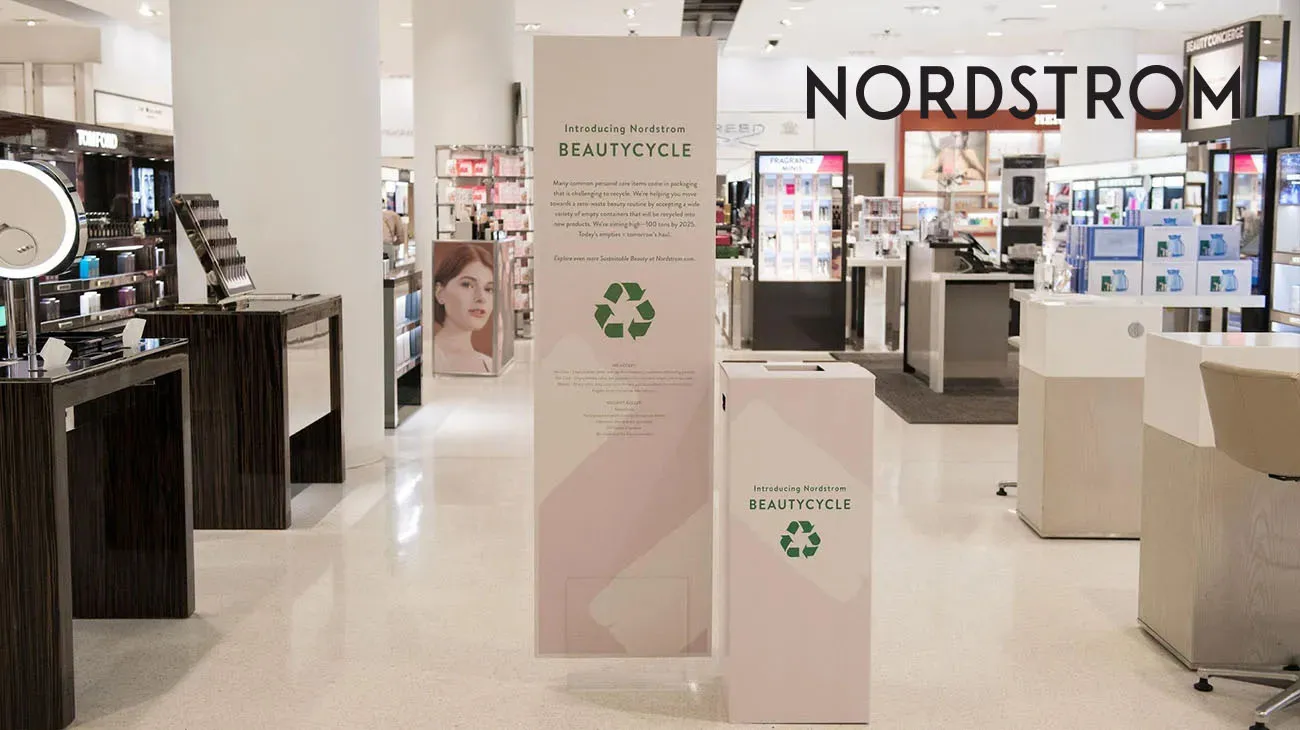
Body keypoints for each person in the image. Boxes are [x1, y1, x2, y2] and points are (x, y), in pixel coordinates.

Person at [433, 243, 495, 374]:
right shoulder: (429, 360)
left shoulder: (490, 364)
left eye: (489, 289)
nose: (481, 297)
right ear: (440, 293)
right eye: (468, 285)